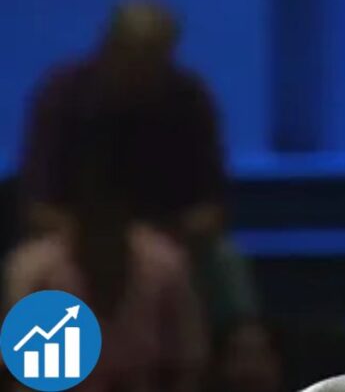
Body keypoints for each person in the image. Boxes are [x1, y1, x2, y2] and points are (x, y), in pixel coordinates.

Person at [17, 0, 259, 334]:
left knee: (224, 261)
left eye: (153, 58)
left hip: (173, 239)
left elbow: (212, 207)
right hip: (75, 239)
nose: (140, 70)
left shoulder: (189, 100)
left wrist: (149, 246)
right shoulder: (63, 97)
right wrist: (104, 239)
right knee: (29, 269)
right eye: (132, 56)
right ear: (108, 48)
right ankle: (36, 375)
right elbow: (39, 207)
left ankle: (237, 362)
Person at [4, 117, 208, 392]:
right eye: (91, 202)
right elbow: (23, 383)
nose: (101, 215)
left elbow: (188, 369)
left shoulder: (166, 267)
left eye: (111, 202)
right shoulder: (35, 273)